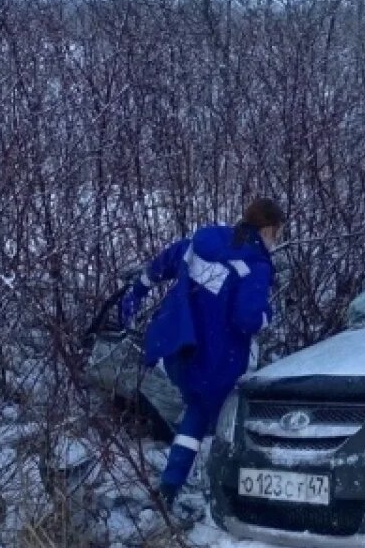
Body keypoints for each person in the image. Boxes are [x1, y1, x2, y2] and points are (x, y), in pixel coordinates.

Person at [120, 196, 285, 507]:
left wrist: (136, 292)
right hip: (215, 357)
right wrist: (268, 314)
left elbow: (165, 262)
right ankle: (206, 486)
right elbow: (247, 318)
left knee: (194, 409)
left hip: (177, 340)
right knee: (208, 413)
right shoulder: (255, 266)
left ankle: (171, 483)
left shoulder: (206, 238)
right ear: (267, 231)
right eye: (278, 233)